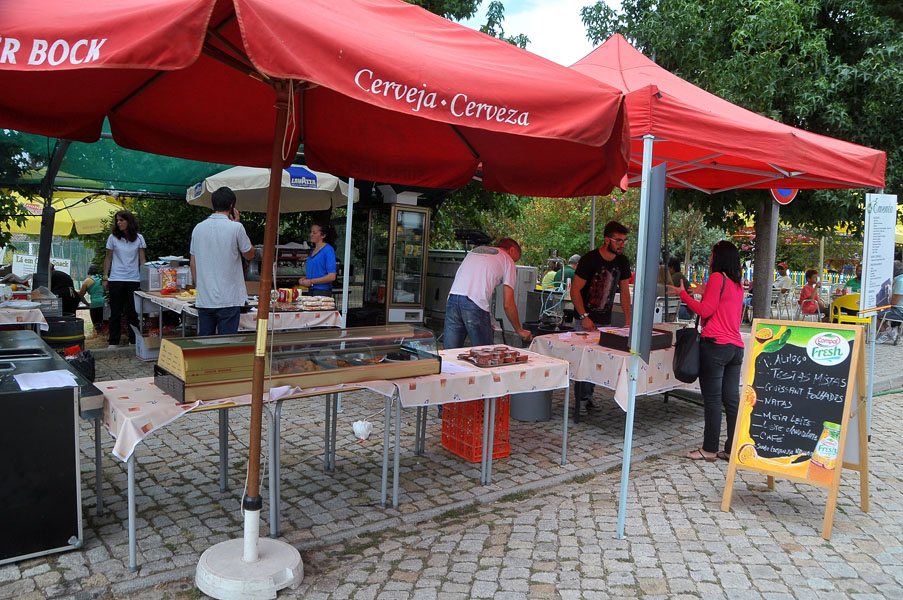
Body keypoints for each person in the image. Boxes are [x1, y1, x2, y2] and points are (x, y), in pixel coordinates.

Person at [667, 240, 744, 462]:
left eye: (712, 254)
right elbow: (721, 305)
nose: (710, 258)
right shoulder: (737, 283)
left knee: (712, 400)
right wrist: (702, 290)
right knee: (732, 400)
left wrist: (684, 295)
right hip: (735, 348)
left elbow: (705, 310)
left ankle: (709, 449)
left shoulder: (717, 277)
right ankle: (731, 448)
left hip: (716, 345)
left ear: (718, 257)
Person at [570, 221, 632, 414]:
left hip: (605, 319)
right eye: (618, 240)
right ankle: (580, 399)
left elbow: (624, 291)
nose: (622, 244)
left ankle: (588, 395)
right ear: (607, 240)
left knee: (597, 360)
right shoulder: (589, 259)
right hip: (584, 318)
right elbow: (575, 290)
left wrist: (628, 319)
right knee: (583, 360)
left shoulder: (623, 261)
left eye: (624, 241)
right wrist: (584, 316)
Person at [444, 238, 532, 349]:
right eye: (516, 260)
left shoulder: (476, 250)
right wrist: (519, 330)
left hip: (452, 299)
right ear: (512, 250)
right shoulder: (508, 260)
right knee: (484, 353)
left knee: (449, 352)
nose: (514, 262)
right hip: (475, 303)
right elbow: (508, 304)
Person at [190, 187, 256, 336]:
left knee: (205, 343)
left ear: (213, 204)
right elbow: (249, 254)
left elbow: (193, 262)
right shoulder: (236, 228)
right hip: (229, 298)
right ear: (231, 205)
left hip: (205, 298)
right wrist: (237, 223)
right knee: (227, 343)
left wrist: (199, 287)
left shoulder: (198, 228)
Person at [103, 210, 146, 348]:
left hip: (133, 279)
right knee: (115, 311)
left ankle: (133, 340)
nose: (118, 223)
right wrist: (105, 277)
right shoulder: (112, 237)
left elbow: (142, 260)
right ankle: (113, 341)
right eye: (117, 220)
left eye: (121, 220)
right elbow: (108, 258)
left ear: (129, 221)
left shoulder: (139, 238)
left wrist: (145, 279)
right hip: (116, 278)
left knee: (132, 312)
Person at [298, 222, 338, 297]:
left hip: (322, 291)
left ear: (323, 235)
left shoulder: (328, 250)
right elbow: (318, 272)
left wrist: (311, 281)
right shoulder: (314, 251)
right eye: (311, 232)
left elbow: (332, 276)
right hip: (312, 290)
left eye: (314, 233)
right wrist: (305, 279)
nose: (311, 235)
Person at [876, 261, 903, 343]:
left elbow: (894, 302)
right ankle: (890, 331)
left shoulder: (900, 281)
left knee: (872, 312)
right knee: (876, 310)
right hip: (898, 309)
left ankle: (884, 333)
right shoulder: (899, 280)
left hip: (899, 311)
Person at [77, 265, 105, 335]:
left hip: (95, 305)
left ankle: (99, 337)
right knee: (107, 325)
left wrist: (87, 303)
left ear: (89, 272)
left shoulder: (87, 281)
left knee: (97, 327)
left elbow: (81, 295)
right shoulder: (104, 279)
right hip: (106, 304)